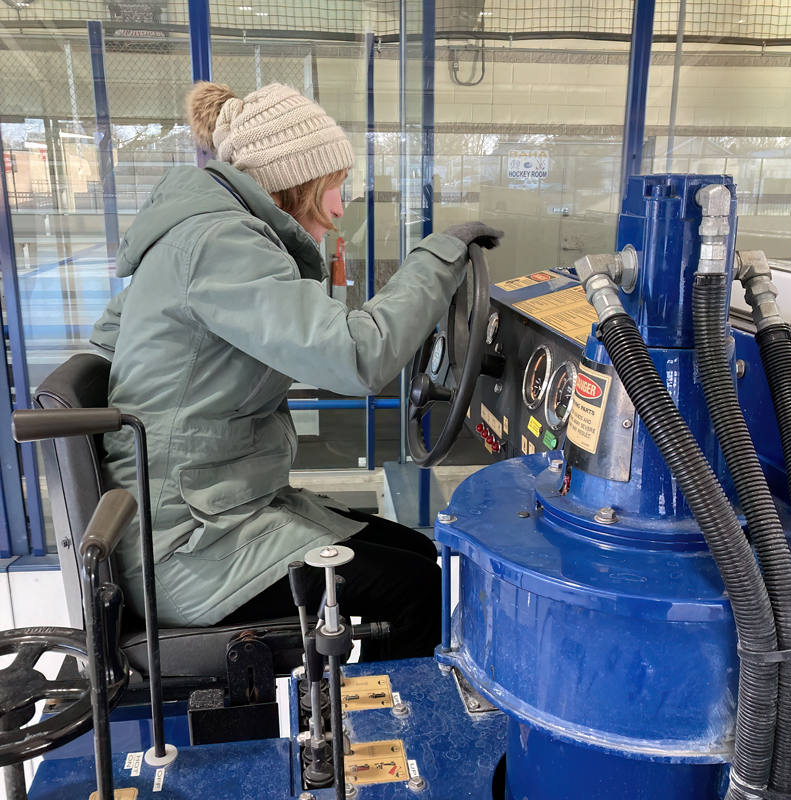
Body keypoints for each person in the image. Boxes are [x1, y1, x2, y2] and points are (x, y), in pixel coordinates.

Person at [90, 81, 502, 660]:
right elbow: (359, 357)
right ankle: (382, 737)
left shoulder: (194, 233)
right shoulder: (220, 242)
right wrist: (438, 259)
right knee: (418, 591)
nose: (339, 210)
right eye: (333, 188)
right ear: (292, 183)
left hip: (207, 509)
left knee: (416, 552)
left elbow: (111, 344)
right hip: (188, 544)